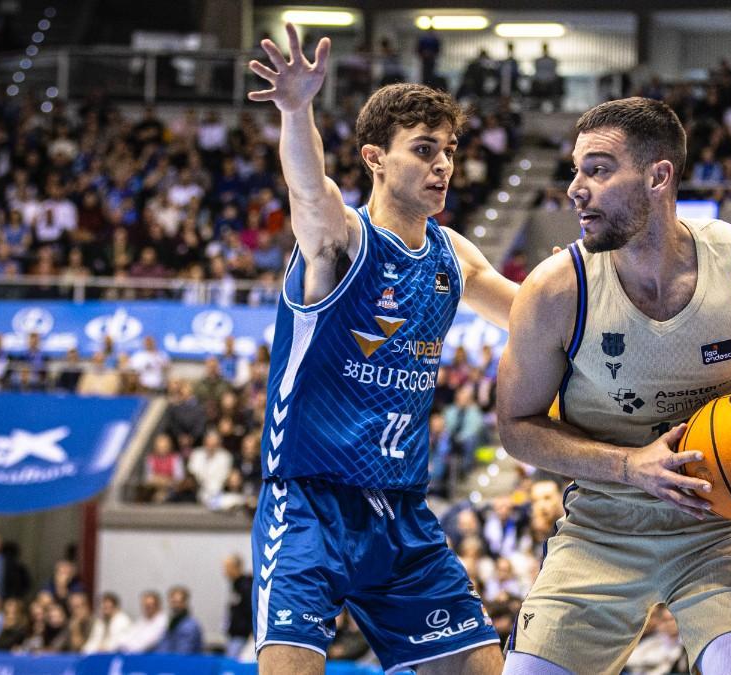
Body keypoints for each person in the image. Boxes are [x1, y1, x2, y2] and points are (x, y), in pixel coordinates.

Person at [498, 97, 731, 674]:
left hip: (726, 527)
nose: (574, 189)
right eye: (574, 170)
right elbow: (515, 428)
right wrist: (628, 466)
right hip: (601, 528)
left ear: (658, 176)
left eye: (598, 169)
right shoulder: (556, 288)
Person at [246, 22, 515, 675]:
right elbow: (310, 191)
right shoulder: (342, 243)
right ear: (374, 158)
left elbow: (538, 315)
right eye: (424, 150)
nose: (443, 164)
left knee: (479, 666)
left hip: (403, 513)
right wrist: (297, 109)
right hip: (311, 500)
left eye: (449, 149)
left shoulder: (456, 256)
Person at [154, 586, 202, 654]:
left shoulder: (190, 625)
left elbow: (184, 652)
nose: (176, 605)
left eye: (179, 602)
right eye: (173, 602)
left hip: (184, 662)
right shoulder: (171, 622)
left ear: (185, 603)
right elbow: (163, 646)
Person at [222, 555, 253, 659]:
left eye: (227, 568)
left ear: (236, 567)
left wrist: (251, 632)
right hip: (235, 635)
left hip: (242, 636)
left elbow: (250, 609)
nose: (224, 572)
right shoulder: (235, 586)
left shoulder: (245, 586)